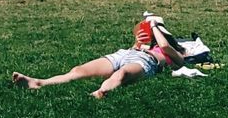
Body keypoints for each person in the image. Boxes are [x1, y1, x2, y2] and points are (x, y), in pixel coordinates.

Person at [12, 13, 186, 99]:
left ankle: (100, 93)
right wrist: (138, 42)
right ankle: (39, 82)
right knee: (78, 70)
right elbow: (133, 50)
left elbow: (164, 45)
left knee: (122, 75)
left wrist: (155, 25)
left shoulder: (176, 54)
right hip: (125, 54)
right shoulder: (147, 44)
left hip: (146, 62)